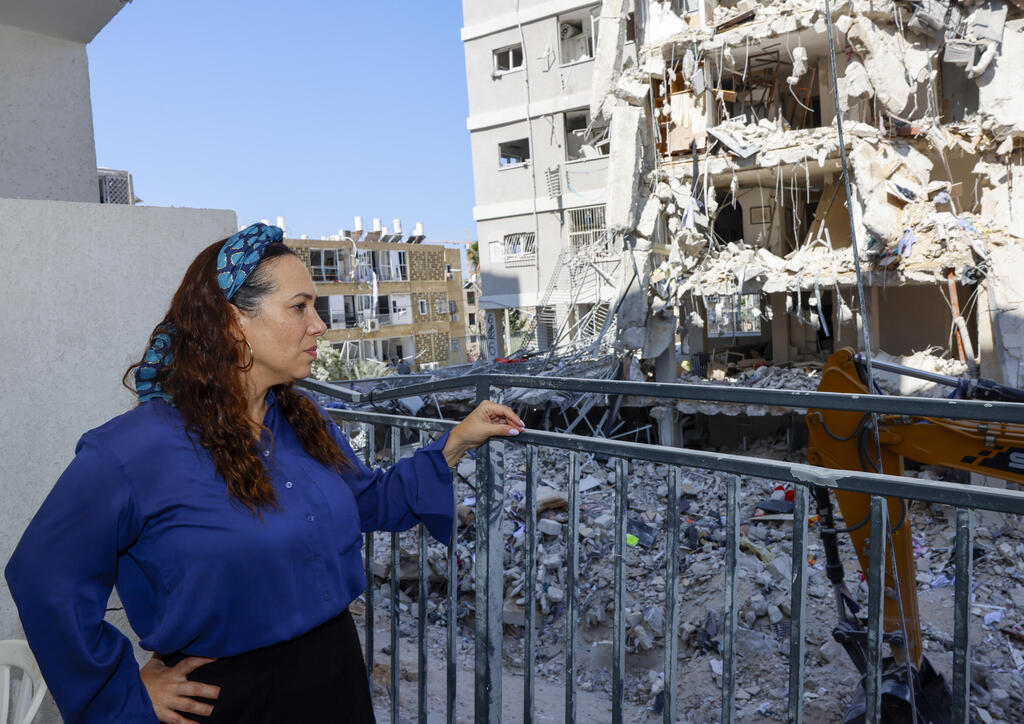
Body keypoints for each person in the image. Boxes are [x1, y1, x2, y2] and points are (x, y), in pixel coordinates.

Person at [4, 223, 524, 724]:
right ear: (233, 323)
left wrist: (456, 442)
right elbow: (44, 577)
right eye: (299, 307)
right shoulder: (130, 451)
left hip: (335, 677)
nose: (319, 325)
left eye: (315, 307)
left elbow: (366, 502)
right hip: (227, 701)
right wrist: (120, 690)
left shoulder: (305, 420)